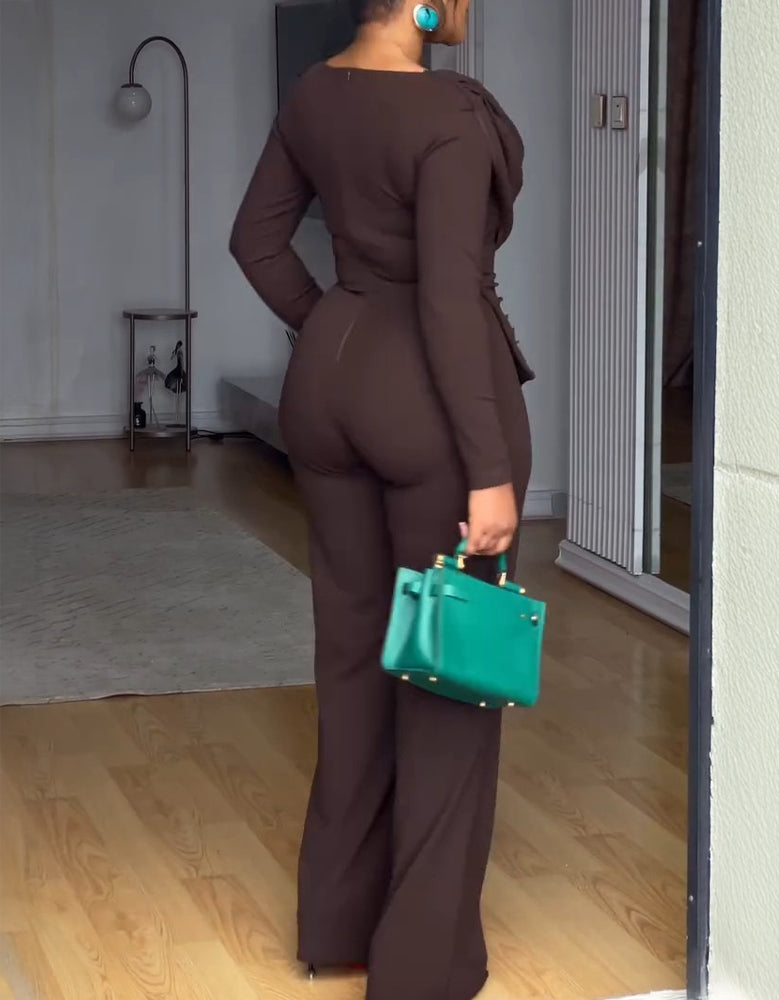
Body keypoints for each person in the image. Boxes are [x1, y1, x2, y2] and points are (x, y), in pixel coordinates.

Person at [229, 1, 534, 997]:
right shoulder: (447, 114)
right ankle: (422, 968)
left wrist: (331, 324)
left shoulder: (313, 92)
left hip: (327, 392)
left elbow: (255, 241)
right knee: (451, 672)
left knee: (354, 655)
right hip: (433, 416)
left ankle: (339, 925)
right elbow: (447, 298)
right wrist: (489, 469)